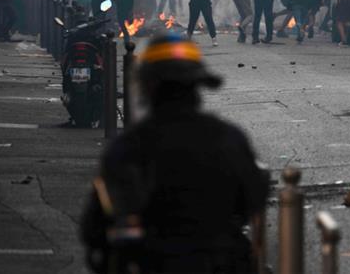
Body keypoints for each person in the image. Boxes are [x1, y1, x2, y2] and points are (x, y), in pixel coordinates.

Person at [80, 34, 269, 274]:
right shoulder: (228, 138)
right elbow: (253, 199)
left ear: (148, 86)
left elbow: (96, 228)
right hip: (220, 262)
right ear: (197, 86)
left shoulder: (129, 147)